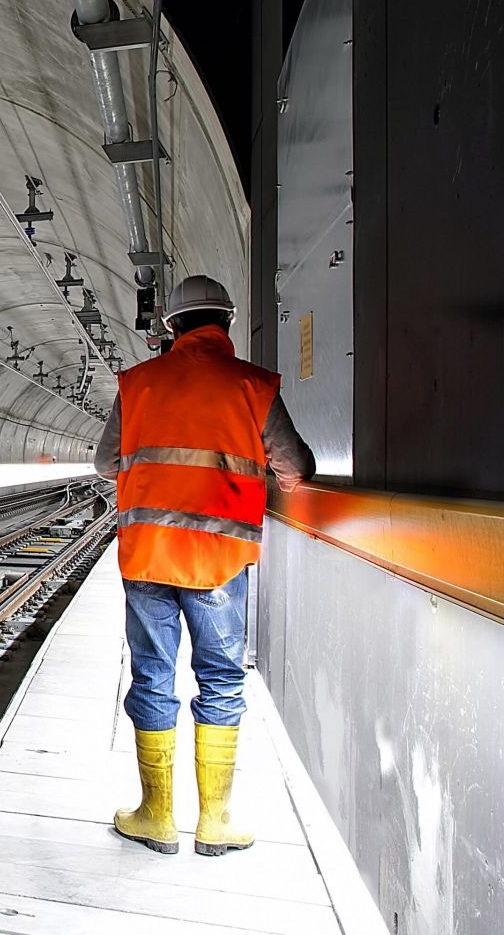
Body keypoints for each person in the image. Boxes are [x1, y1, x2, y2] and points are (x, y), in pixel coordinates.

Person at [95, 274, 315, 857]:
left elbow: (103, 462)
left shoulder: (136, 384)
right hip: (219, 561)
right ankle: (215, 820)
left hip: (146, 557)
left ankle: (155, 815)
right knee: (220, 677)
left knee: (152, 674)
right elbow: (296, 466)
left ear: (171, 327)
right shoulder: (254, 386)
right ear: (227, 322)